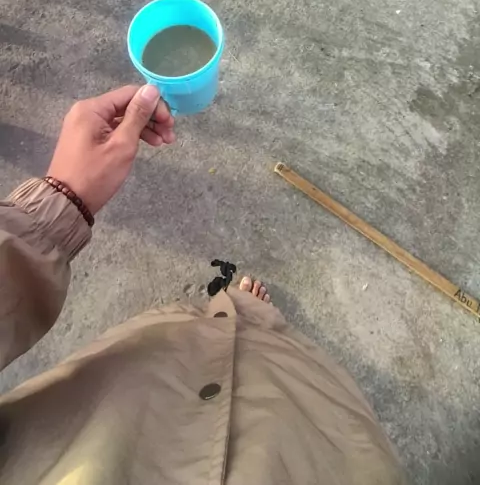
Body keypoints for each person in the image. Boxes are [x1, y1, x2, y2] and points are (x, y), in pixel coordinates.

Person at [0, 84, 405, 485]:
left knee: (167, 356)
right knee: (282, 385)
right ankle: (250, 322)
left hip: (83, 437)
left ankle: (233, 323)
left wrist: (60, 203)